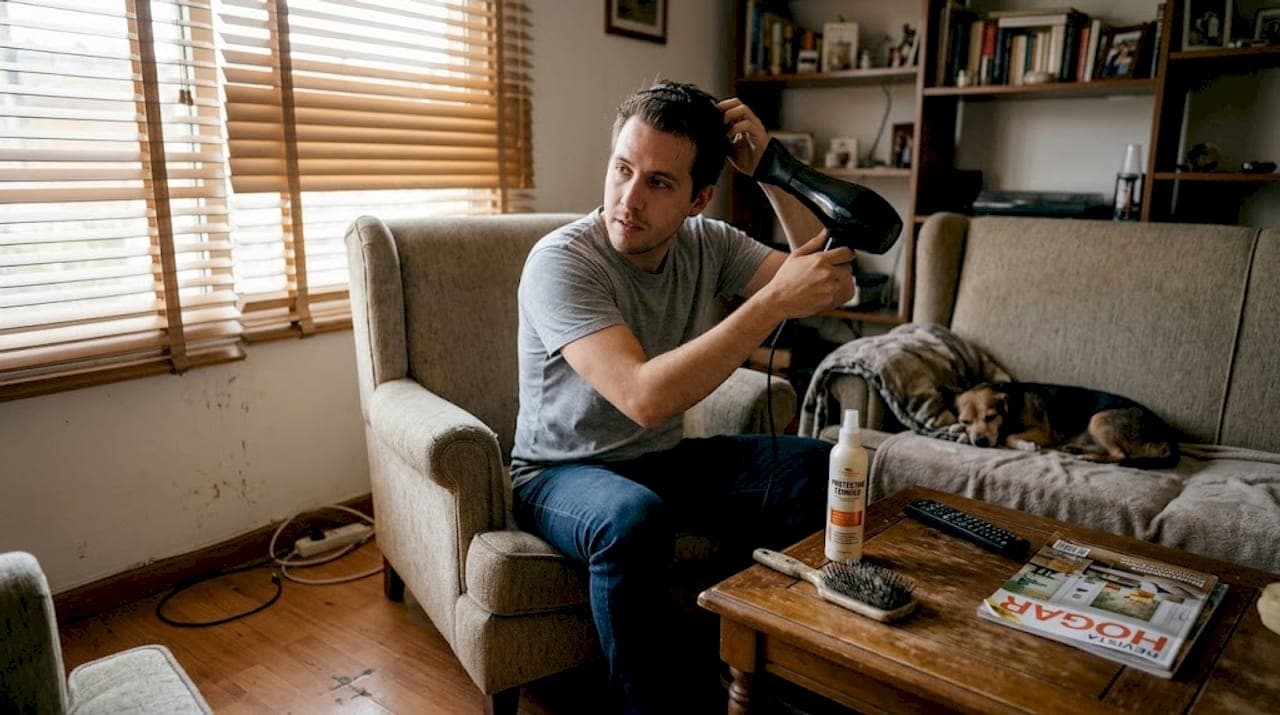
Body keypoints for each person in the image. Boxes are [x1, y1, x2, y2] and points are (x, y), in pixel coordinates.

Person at [510, 80, 856, 713]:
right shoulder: (561, 261)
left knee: (812, 467)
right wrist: (769, 305)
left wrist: (772, 173)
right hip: (560, 474)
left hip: (660, 461)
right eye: (622, 169)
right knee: (631, 517)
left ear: (698, 199)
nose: (627, 200)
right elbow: (643, 397)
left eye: (659, 184)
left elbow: (828, 281)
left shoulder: (709, 244)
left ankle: (775, 681)